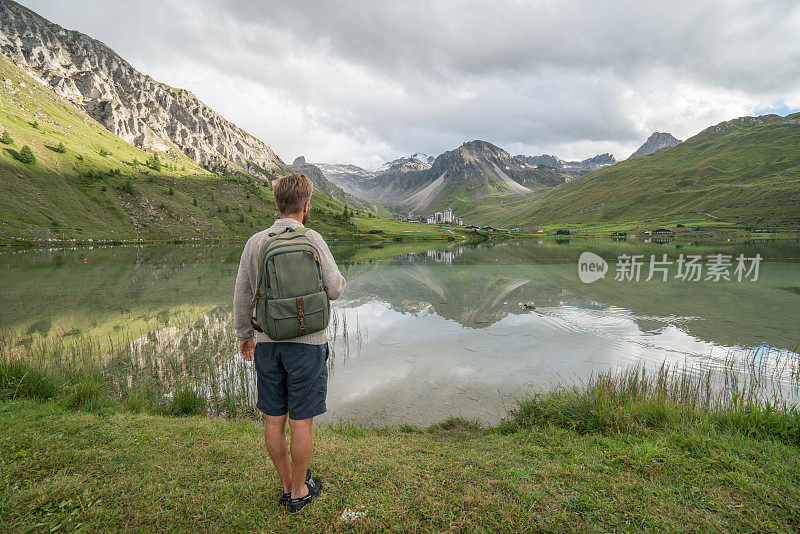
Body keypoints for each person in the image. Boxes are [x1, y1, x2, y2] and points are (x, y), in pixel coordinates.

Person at [233, 173, 346, 513]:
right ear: (306, 206)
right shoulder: (312, 238)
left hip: (268, 342)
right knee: (302, 421)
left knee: (274, 419)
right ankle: (299, 491)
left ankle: (286, 484)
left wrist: (244, 335)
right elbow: (336, 288)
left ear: (277, 203)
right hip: (309, 344)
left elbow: (242, 294)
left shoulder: (256, 242)